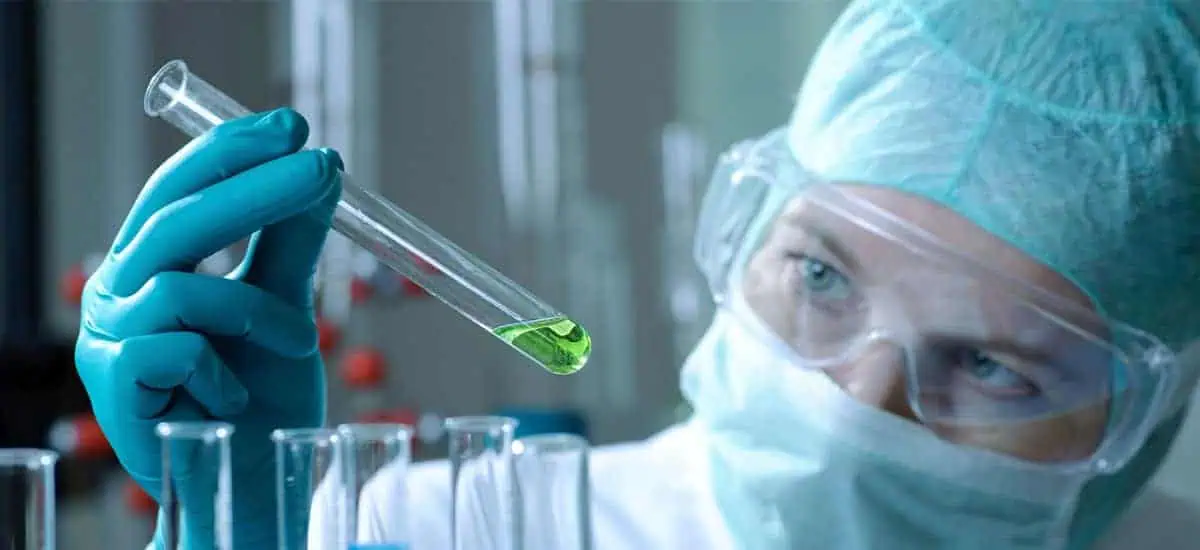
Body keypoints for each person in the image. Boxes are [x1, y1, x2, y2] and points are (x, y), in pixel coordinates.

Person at [74, 0, 1200, 548]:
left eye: (995, 365)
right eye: (820, 275)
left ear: (1147, 410)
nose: (855, 405)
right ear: (752, 229)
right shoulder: (460, 530)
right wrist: (230, 529)